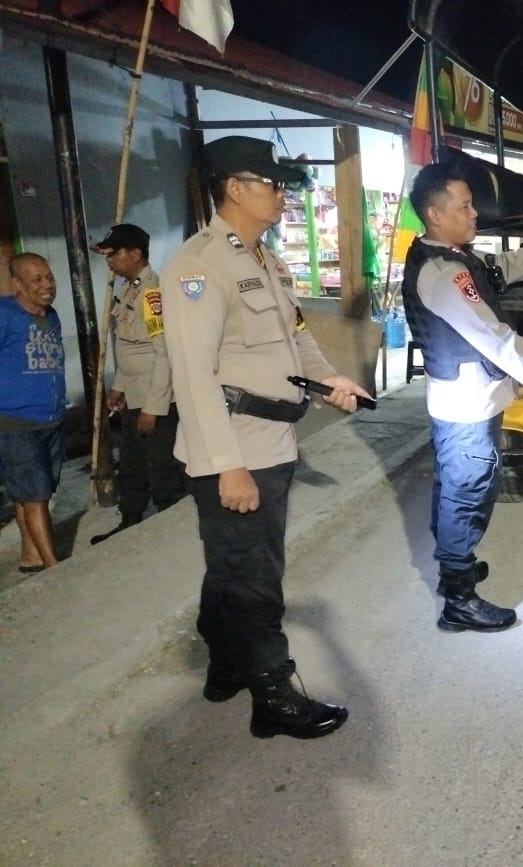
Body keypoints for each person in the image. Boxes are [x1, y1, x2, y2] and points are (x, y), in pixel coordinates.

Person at [161, 135, 373, 740]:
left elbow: (294, 337)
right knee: (254, 578)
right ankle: (273, 695)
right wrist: (226, 465)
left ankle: (226, 663)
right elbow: (193, 375)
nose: (282, 195)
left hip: (273, 443)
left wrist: (327, 380)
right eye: (273, 184)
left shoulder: (265, 261)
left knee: (233, 564)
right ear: (235, 188)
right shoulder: (199, 267)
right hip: (234, 448)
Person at [401, 160, 523, 633]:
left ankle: (456, 566)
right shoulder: (443, 274)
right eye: (464, 206)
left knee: (460, 487)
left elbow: (496, 270)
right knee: (467, 492)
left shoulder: (452, 258)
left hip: (467, 399)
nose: (474, 214)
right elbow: (496, 338)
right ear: (434, 214)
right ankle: (459, 600)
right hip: (466, 405)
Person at [90, 224, 186, 545]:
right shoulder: (129, 289)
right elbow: (128, 348)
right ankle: (130, 519)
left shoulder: (152, 294)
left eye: (114, 253)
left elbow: (163, 353)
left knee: (162, 466)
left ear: (135, 254)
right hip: (133, 396)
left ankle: (171, 530)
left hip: (154, 398)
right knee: (131, 463)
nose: (109, 260)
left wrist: (153, 408)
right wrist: (118, 386)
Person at [0, 253, 67, 574]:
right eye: (37, 279)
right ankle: (55, 567)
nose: (47, 285)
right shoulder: (4, 315)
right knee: (36, 495)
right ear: (17, 284)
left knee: (30, 494)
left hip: (51, 418)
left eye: (49, 277)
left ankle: (31, 555)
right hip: (17, 423)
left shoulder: (51, 316)